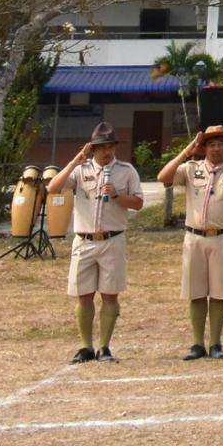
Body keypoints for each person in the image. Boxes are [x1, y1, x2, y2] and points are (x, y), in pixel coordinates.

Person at [50, 121, 144, 363]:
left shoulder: (126, 170)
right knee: (84, 295)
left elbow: (138, 203)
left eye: (110, 146)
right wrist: (75, 161)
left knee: (110, 295)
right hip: (84, 241)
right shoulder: (81, 171)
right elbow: (53, 188)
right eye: (101, 147)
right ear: (92, 148)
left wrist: (117, 196)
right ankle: (86, 347)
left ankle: (104, 346)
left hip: (113, 239)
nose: (107, 151)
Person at [158, 124, 223, 359]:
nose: (216, 148)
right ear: (204, 147)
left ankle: (216, 344)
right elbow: (163, 177)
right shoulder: (190, 169)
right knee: (196, 292)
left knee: (219, 292)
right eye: (211, 144)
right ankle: (197, 343)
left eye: (220, 143)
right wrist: (186, 151)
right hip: (194, 238)